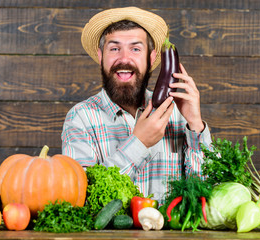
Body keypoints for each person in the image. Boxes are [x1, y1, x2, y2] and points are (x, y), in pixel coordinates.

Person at [61, 7, 212, 203]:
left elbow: (206, 194)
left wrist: (195, 125)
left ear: (151, 58)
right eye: (114, 48)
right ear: (100, 57)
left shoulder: (176, 114)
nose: (124, 59)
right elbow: (81, 198)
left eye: (135, 49)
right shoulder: (80, 118)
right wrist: (138, 144)